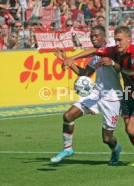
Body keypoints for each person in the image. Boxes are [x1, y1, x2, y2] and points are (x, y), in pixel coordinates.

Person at [56, 26, 134, 166]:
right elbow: (93, 53)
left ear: (129, 40)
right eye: (116, 40)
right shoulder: (113, 51)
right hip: (127, 93)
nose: (117, 43)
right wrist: (71, 59)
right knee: (129, 132)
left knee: (131, 129)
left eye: (120, 40)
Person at [51, 25, 122, 166]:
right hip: (96, 94)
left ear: (104, 37)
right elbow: (85, 74)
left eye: (96, 36)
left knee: (107, 138)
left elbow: (119, 66)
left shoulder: (113, 50)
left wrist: (72, 58)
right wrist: (67, 61)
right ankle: (67, 149)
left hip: (113, 98)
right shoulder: (96, 57)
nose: (93, 39)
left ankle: (116, 149)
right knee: (68, 116)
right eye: (91, 37)